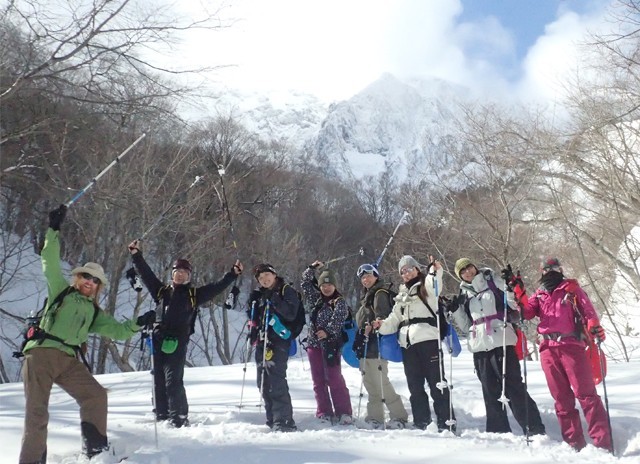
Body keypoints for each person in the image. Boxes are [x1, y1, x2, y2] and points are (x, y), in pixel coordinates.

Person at [19, 205, 155, 463]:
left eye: (94, 281)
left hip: (69, 362)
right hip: (42, 355)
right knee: (37, 413)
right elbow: (49, 261)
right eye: (85, 277)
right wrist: (53, 229)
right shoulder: (61, 290)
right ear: (77, 277)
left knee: (95, 395)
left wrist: (139, 322)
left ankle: (95, 451)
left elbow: (119, 331)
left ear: (98, 287)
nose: (89, 283)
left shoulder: (94, 312)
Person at [128, 239, 242, 428]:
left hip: (178, 340)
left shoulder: (193, 295)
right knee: (158, 379)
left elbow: (217, 286)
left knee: (173, 380)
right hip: (158, 338)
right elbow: (147, 275)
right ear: (172, 274)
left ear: (189, 276)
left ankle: (179, 417)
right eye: (177, 272)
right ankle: (161, 414)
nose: (180, 276)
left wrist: (232, 274)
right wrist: (136, 255)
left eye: (184, 273)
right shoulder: (162, 291)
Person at [504, 257, 612, 452]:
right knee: (561, 398)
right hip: (547, 349)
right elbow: (526, 313)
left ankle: (602, 442)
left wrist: (594, 325)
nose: (550, 271)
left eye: (554, 268)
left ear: (560, 269)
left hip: (571, 346)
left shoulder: (571, 289)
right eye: (547, 269)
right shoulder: (540, 294)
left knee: (586, 395)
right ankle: (574, 443)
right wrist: (518, 289)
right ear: (542, 272)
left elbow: (588, 311)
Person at [446, 258, 545, 436]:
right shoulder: (464, 294)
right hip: (479, 346)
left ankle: (534, 428)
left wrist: (510, 285)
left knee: (513, 386)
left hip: (501, 340)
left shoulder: (491, 280)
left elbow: (512, 303)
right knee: (490, 390)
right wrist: (455, 310)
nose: (467, 272)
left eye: (469, 267)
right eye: (462, 271)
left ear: (474, 266)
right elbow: (466, 324)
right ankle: (498, 432)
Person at [372, 255, 455, 432]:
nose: (406, 273)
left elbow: (436, 283)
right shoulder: (401, 296)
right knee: (415, 385)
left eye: (409, 269)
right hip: (408, 345)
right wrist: (381, 326)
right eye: (403, 271)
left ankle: (447, 422)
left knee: (437, 382)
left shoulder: (427, 286)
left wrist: (435, 269)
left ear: (417, 269)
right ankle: (421, 421)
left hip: (428, 340)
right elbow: (394, 319)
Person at [354, 263, 409, 429]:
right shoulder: (367, 296)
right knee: (370, 383)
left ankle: (399, 415)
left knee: (381, 382)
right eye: (363, 277)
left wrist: (374, 324)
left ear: (376, 276)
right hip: (366, 345)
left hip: (377, 344)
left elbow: (383, 316)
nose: (365, 279)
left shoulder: (379, 293)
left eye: (369, 276)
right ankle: (375, 416)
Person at [301, 262, 353, 425]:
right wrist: (312, 267)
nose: (326, 288)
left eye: (330, 285)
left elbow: (339, 318)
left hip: (331, 344)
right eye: (324, 284)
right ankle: (324, 411)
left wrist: (328, 331)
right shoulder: (315, 299)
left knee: (334, 378)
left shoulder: (339, 302)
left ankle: (344, 412)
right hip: (313, 345)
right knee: (318, 380)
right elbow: (305, 282)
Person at [248, 264, 299, 432]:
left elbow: (291, 313)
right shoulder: (260, 295)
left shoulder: (286, 291)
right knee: (262, 382)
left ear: (275, 275)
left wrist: (274, 298)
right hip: (263, 342)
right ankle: (272, 418)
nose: (265, 280)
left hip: (279, 341)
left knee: (276, 381)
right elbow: (255, 318)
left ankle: (284, 421)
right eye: (261, 278)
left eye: (267, 275)